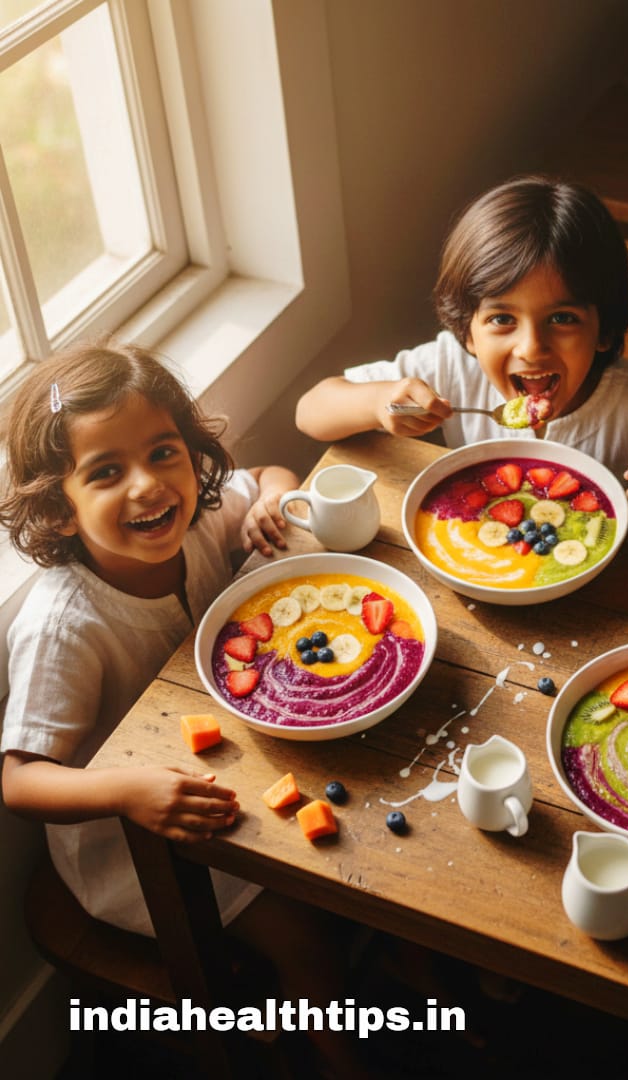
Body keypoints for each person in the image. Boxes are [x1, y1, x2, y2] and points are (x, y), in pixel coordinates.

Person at [0, 343, 368, 1078]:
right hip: (138, 842)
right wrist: (128, 792)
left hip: (234, 761)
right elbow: (19, 779)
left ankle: (407, 968)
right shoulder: (64, 626)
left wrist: (270, 501)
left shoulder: (199, 517)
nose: (147, 485)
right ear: (60, 509)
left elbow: (272, 475)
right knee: (302, 935)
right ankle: (342, 1060)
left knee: (367, 853)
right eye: (106, 472)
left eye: (163, 452)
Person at [296, 174, 628, 530]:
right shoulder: (452, 368)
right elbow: (311, 412)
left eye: (562, 318)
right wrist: (379, 402)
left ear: (603, 328)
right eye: (502, 319)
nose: (532, 348)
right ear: (468, 332)